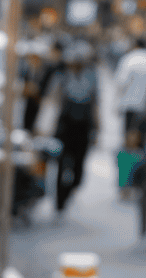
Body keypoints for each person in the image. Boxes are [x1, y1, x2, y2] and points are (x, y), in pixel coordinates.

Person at [53, 42, 99, 212]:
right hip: (66, 125)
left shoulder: (92, 75)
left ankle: (71, 189)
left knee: (79, 168)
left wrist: (97, 127)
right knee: (62, 163)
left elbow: (96, 101)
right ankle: (59, 201)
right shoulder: (63, 76)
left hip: (83, 125)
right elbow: (54, 100)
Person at [114, 36, 146, 146]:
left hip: (131, 106)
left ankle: (130, 162)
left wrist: (117, 103)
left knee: (130, 140)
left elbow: (120, 83)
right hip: (144, 107)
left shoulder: (129, 59)